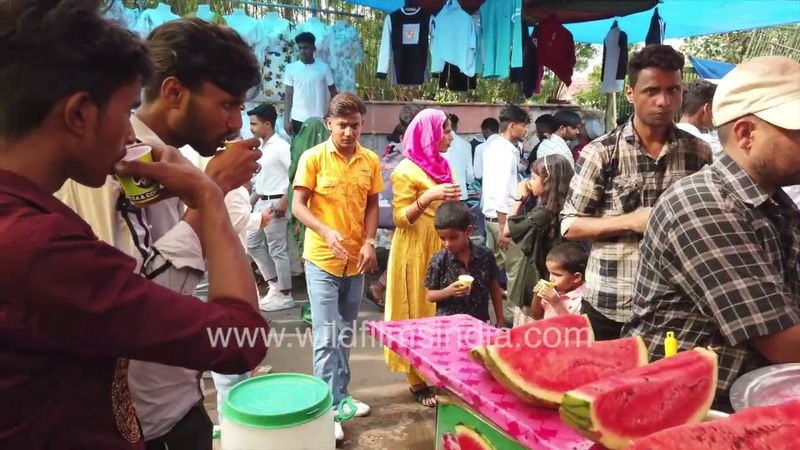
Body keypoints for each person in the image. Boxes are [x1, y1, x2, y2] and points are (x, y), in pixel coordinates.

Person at [0, 1, 267, 448]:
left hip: (171, 401)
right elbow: (239, 338)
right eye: (127, 110)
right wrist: (210, 195)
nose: (129, 134)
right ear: (79, 114)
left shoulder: (39, 217)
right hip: (148, 418)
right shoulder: (41, 240)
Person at [624, 55, 800, 413]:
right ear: (746, 134)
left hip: (745, 400)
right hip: (683, 410)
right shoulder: (703, 205)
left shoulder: (774, 202)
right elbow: (784, 343)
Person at [560, 44, 712, 340]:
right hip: (612, 302)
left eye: (673, 90)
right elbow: (570, 225)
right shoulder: (601, 152)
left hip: (677, 304)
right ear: (630, 93)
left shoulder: (698, 152)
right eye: (651, 91)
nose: (664, 101)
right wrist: (631, 221)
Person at [292, 93, 381, 441]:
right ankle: (325, 410)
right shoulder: (313, 157)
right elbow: (298, 206)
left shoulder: (370, 160)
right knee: (326, 336)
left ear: (362, 124)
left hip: (355, 262)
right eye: (342, 125)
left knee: (344, 332)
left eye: (354, 125)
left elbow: (372, 205)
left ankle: (341, 397)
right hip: (321, 260)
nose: (348, 132)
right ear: (329, 124)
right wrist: (325, 230)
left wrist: (370, 241)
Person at [384, 109, 461, 408]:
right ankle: (416, 379)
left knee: (442, 310)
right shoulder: (405, 170)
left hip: (442, 246)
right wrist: (429, 196)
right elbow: (400, 218)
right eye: (446, 131)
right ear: (430, 135)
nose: (451, 137)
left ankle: (438, 370)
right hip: (415, 248)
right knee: (416, 310)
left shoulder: (442, 165)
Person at [505, 155, 575, 325]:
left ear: (547, 180)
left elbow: (507, 230)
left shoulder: (543, 213)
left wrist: (520, 199)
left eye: (533, 177)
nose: (530, 182)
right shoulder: (566, 207)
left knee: (530, 329)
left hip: (537, 283)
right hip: (559, 281)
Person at [482, 105, 531, 327]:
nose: (526, 129)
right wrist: (505, 228)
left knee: (492, 269)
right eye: (524, 125)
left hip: (490, 216)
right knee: (516, 270)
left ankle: (493, 315)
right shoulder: (506, 152)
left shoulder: (493, 146)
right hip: (502, 219)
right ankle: (510, 320)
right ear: (512, 126)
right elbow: (502, 191)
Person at [247, 103, 295, 312]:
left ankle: (285, 295)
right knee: (252, 243)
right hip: (261, 202)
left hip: (276, 203)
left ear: (267, 124)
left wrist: (285, 200)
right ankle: (275, 286)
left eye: (254, 124)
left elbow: (295, 174)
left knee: (277, 249)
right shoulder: (262, 147)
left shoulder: (281, 146)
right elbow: (264, 180)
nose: (251, 128)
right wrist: (251, 200)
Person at [426, 201, 504, 326]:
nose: (447, 244)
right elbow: (430, 295)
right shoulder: (439, 260)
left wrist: (500, 321)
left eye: (453, 238)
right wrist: (449, 291)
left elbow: (494, 288)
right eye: (442, 238)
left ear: (468, 231)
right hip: (448, 326)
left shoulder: (485, 256)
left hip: (479, 324)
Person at [283, 32, 337, 135]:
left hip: (320, 118)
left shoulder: (324, 68)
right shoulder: (291, 68)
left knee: (320, 145)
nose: (303, 51)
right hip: (298, 118)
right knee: (299, 145)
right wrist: (286, 120)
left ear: (314, 48)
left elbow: (334, 92)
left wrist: (330, 114)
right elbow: (288, 96)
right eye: (300, 48)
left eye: (306, 48)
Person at [532, 242, 588, 321]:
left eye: (557, 275)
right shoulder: (554, 290)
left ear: (576, 277)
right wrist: (537, 297)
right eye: (549, 273)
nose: (551, 279)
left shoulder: (584, 299)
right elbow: (537, 316)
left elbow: (574, 325)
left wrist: (557, 303)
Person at [678, 79, 723, 158]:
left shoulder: (667, 135)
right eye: (715, 108)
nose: (716, 114)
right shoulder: (710, 145)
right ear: (707, 108)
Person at [443, 113, 474, 201]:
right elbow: (470, 176)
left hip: (444, 192)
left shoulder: (438, 143)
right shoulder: (466, 145)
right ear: (456, 126)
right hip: (461, 192)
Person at [473, 117, 500, 182]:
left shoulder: (480, 148)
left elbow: (477, 174)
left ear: (486, 131)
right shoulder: (508, 145)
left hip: (489, 185)